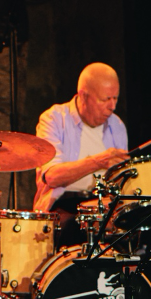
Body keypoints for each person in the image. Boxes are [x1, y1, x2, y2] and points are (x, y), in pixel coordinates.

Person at [34, 62, 129, 245]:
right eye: (105, 99)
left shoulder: (117, 125)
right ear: (83, 96)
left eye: (115, 98)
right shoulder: (54, 119)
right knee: (73, 228)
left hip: (102, 207)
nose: (112, 106)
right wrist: (98, 162)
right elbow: (52, 176)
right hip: (63, 206)